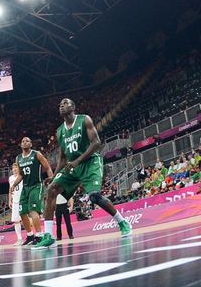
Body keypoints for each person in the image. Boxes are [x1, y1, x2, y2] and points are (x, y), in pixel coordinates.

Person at [34, 98, 132, 249]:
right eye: (60, 104)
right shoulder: (60, 131)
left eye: (65, 103)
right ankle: (48, 235)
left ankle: (122, 222)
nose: (61, 106)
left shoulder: (84, 120)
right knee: (52, 189)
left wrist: (78, 160)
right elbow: (62, 156)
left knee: (94, 197)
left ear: (73, 107)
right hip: (72, 166)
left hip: (90, 162)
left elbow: (97, 143)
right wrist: (54, 176)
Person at [10, 137, 54, 246]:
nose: (25, 142)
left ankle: (39, 236)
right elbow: (21, 174)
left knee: (33, 211)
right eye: (23, 141)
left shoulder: (36, 154)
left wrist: (52, 181)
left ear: (31, 144)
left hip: (36, 186)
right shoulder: (18, 158)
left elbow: (48, 168)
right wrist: (14, 184)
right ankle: (30, 236)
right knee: (22, 212)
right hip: (25, 187)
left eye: (27, 141)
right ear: (21, 145)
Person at [8, 163, 24, 245]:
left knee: (25, 219)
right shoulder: (10, 178)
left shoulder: (22, 176)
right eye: (13, 168)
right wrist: (9, 201)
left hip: (22, 200)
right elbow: (10, 189)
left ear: (18, 168)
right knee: (16, 221)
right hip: (15, 201)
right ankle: (19, 239)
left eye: (16, 167)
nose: (14, 169)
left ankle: (33, 236)